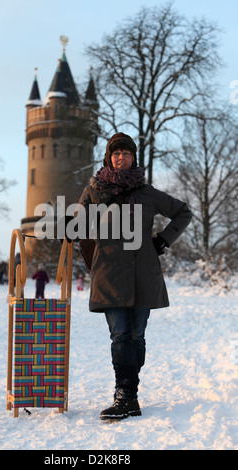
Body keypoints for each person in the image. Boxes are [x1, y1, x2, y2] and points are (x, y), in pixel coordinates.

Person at [77, 132, 192, 420]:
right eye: (116, 153)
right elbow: (78, 227)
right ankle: (126, 395)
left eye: (126, 153)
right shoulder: (94, 191)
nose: (121, 157)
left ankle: (128, 387)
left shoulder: (147, 192)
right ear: (109, 157)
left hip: (143, 274)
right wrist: (95, 260)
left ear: (133, 158)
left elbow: (182, 212)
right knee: (120, 336)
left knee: (136, 336)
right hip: (109, 275)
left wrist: (163, 240)